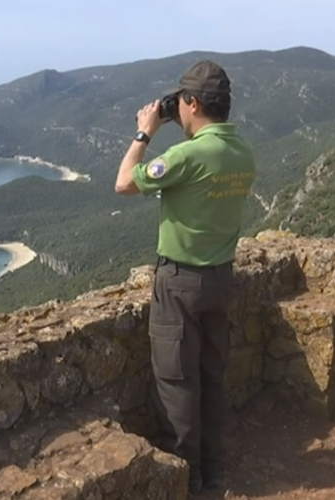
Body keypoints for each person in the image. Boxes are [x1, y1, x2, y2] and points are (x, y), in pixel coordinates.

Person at [114, 59, 257, 492]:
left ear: (192, 102)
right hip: (220, 278)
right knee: (212, 377)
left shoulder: (189, 155)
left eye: (182, 104)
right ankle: (214, 471)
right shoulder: (242, 152)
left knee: (177, 382)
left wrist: (145, 131)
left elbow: (123, 183)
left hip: (180, 284)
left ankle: (187, 480)